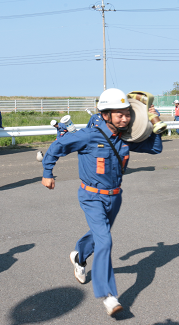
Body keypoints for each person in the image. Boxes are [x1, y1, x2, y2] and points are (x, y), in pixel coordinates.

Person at [41, 88, 162, 316]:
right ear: (106, 114)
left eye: (127, 113)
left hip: (115, 196)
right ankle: (108, 296)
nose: (125, 118)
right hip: (91, 196)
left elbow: (156, 148)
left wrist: (155, 121)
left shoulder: (126, 137)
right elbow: (58, 146)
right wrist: (47, 172)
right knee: (105, 241)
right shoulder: (89, 135)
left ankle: (79, 255)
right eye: (120, 114)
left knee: (99, 235)